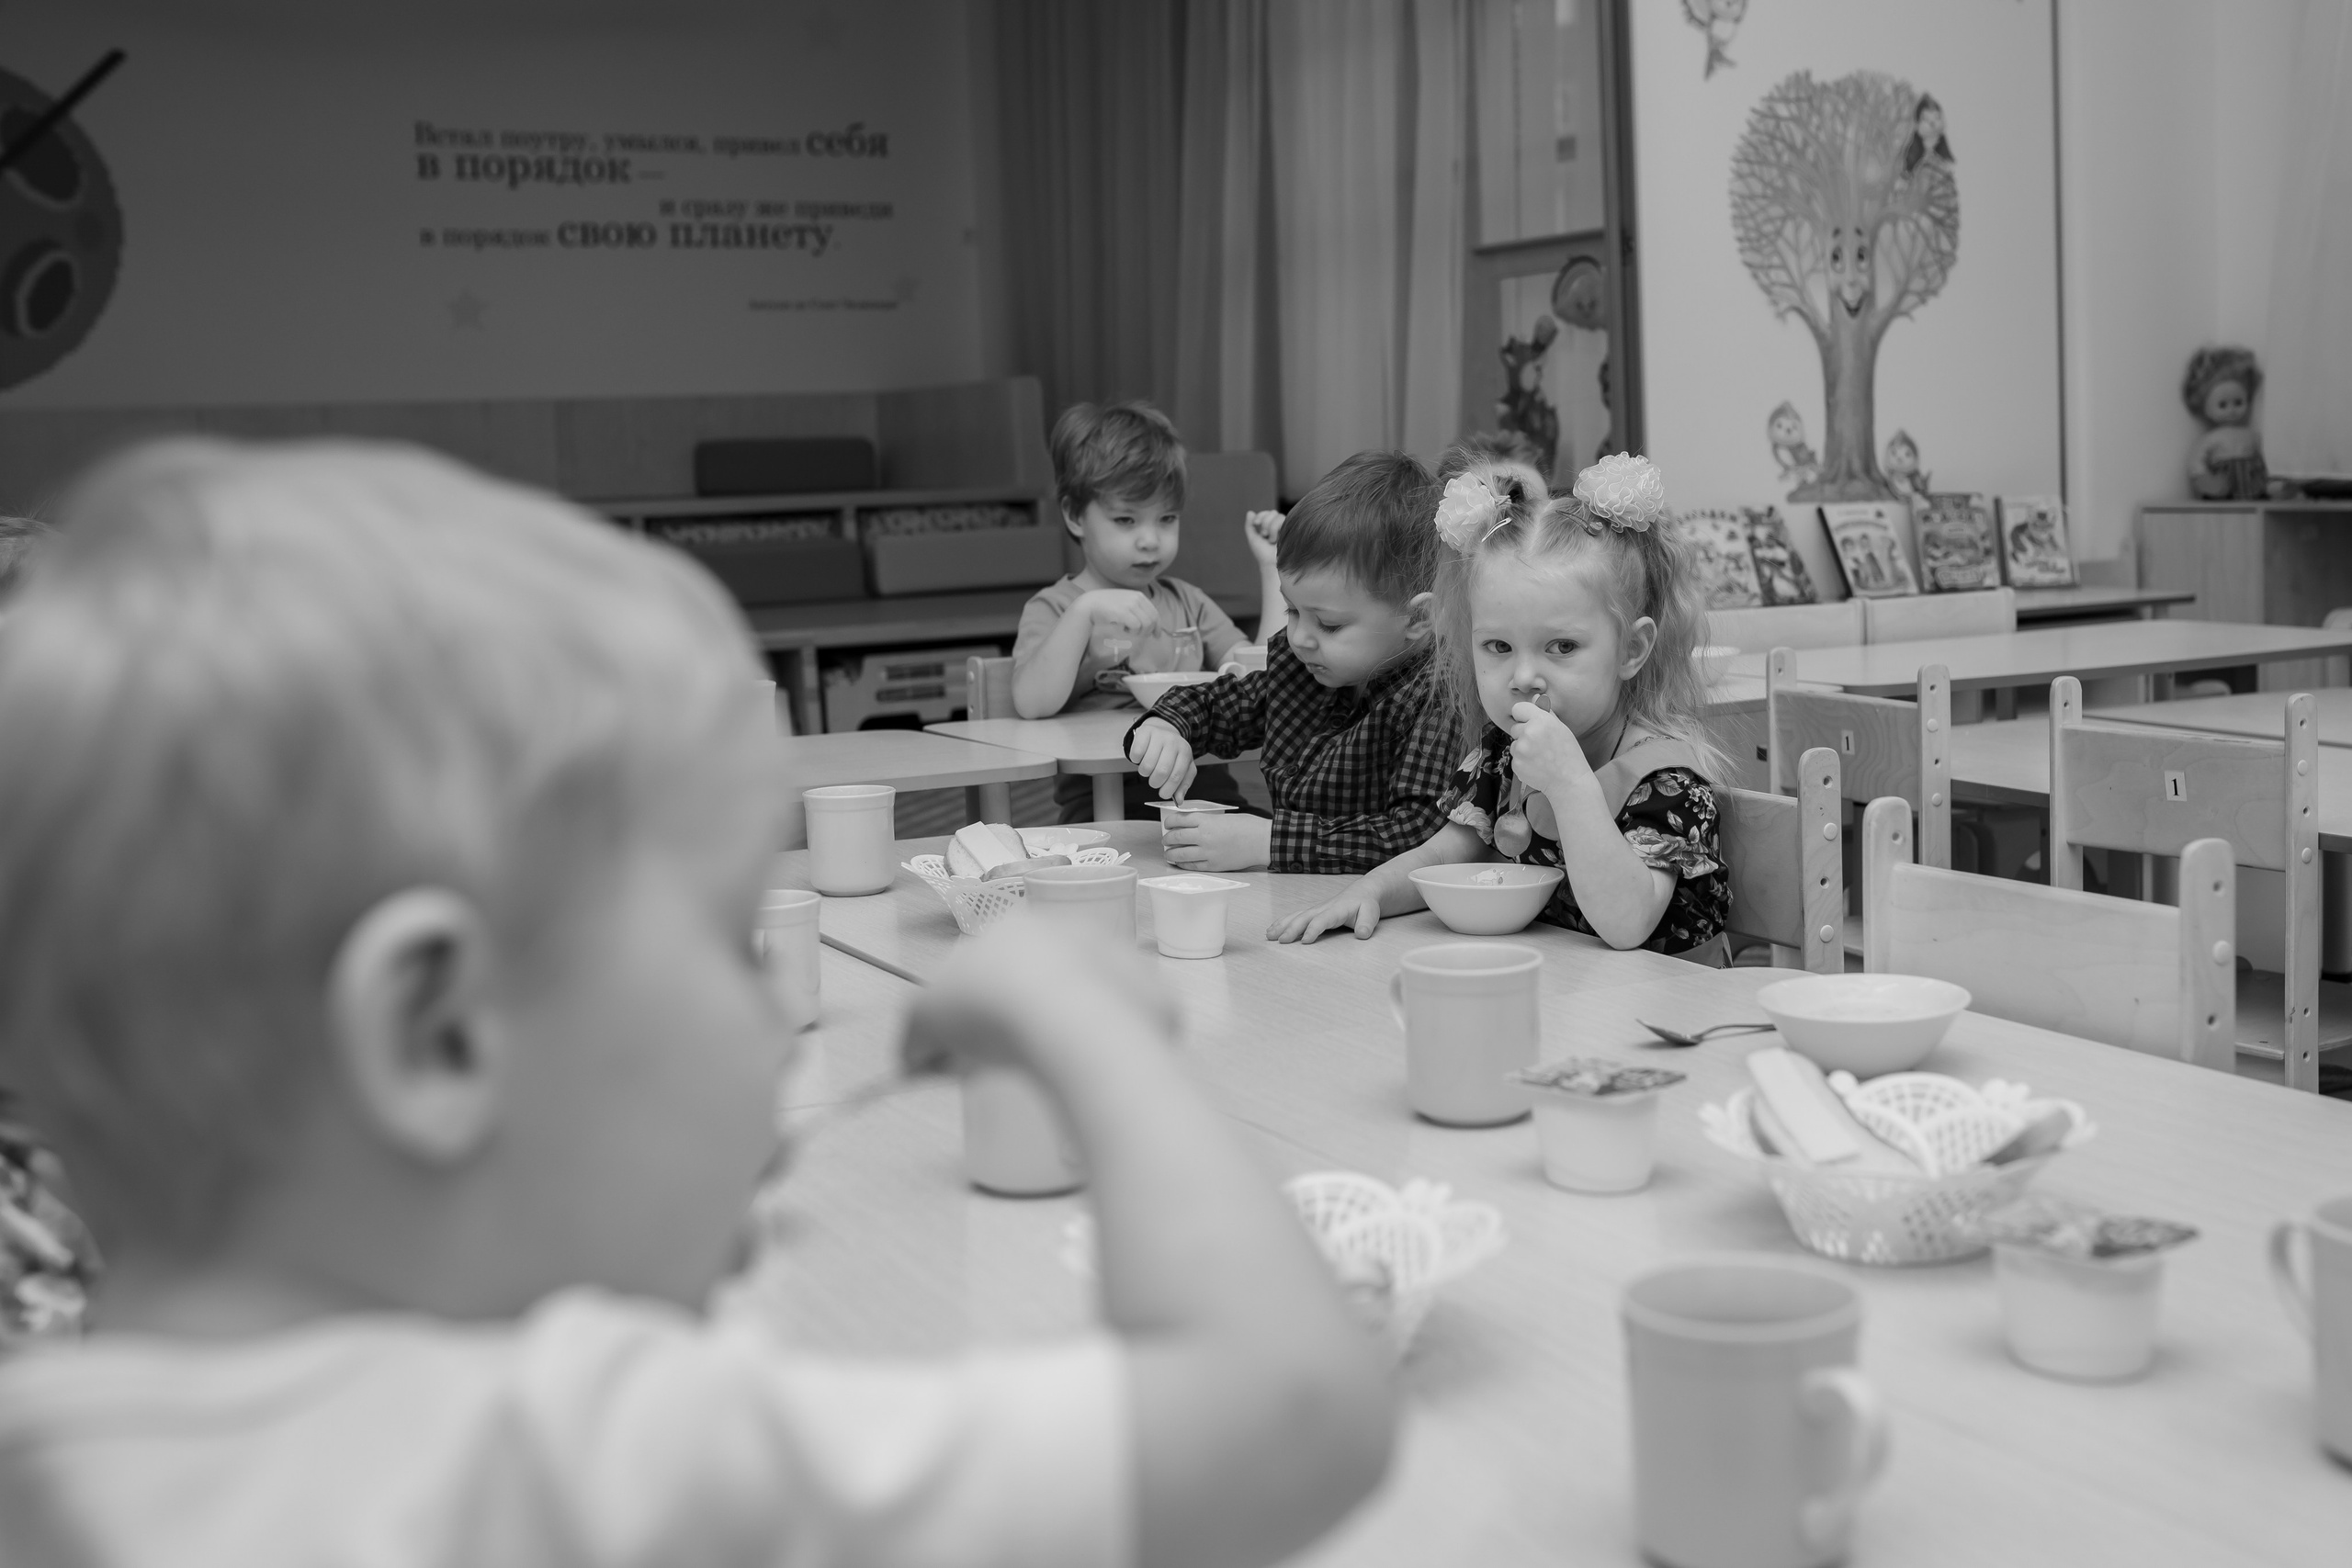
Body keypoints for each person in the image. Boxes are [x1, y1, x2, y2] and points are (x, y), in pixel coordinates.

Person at [0, 440, 1395, 1568]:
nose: (775, 1009)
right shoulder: (569, 1461)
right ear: (437, 1033)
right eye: (733, 939)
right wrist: (1102, 1032)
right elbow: (1293, 1412)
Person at [1273, 453, 1729, 956]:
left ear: (1631, 649)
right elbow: (1447, 853)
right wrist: (1370, 892)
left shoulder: (1666, 782)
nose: (1524, 676)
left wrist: (1570, 783)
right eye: (1499, 647)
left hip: (1672, 1016)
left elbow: (1626, 924)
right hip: (1566, 997)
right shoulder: (1504, 755)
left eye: (1562, 647)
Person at [1123, 451, 1463, 874]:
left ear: (1418, 618)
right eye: (1291, 611)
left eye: (1329, 624)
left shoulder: (1440, 699)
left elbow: (1416, 837)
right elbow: (1223, 705)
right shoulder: (1303, 667)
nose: (1300, 636)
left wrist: (1270, 842)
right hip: (1298, 905)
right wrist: (1167, 725)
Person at [1012, 402, 1261, 821]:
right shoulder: (1055, 608)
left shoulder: (1188, 601)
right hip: (1104, 812)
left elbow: (1258, 674)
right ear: (1075, 515)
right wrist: (1084, 612)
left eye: (1166, 518)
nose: (1150, 540)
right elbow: (1032, 704)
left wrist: (1272, 568)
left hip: (1208, 798)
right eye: (1126, 520)